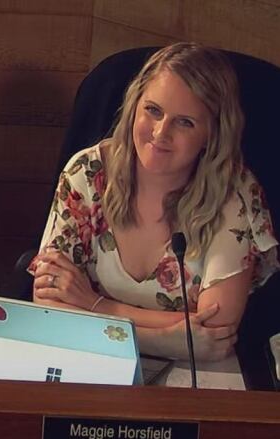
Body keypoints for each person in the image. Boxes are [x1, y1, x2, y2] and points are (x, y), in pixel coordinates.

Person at [29, 43, 279, 361]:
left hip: (191, 375)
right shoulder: (87, 172)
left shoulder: (234, 194)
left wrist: (93, 305)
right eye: (153, 110)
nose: (160, 133)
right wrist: (161, 339)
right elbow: (48, 304)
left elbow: (215, 332)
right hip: (87, 358)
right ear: (135, 105)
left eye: (185, 122)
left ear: (212, 133)